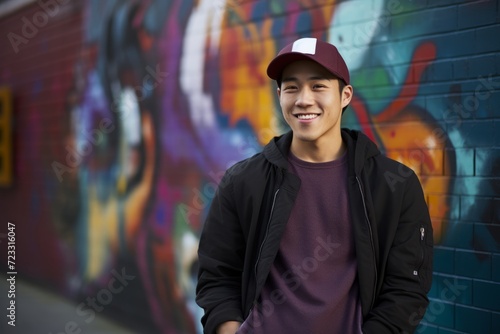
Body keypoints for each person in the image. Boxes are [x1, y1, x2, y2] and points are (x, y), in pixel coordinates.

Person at [196, 37, 433, 334]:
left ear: (345, 95)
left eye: (318, 86)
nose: (303, 99)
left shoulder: (394, 186)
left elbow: (406, 289)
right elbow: (217, 273)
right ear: (280, 94)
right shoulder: (243, 181)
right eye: (292, 87)